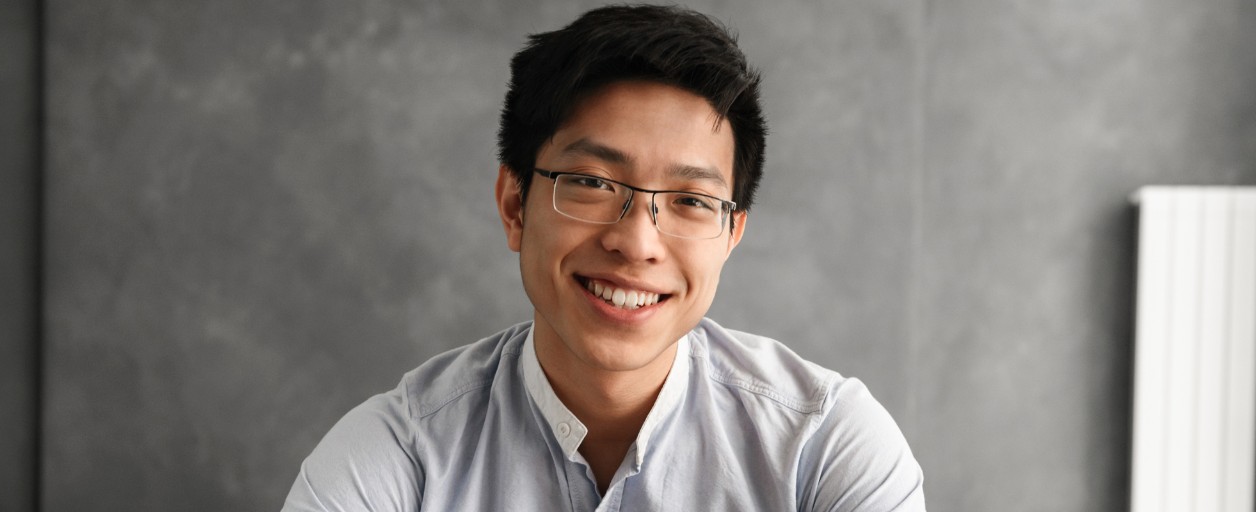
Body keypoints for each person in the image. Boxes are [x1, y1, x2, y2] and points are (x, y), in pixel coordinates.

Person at [282, 5, 925, 511]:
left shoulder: (825, 446)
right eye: (592, 183)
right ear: (514, 204)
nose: (637, 243)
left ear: (732, 236)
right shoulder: (397, 458)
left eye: (691, 201)